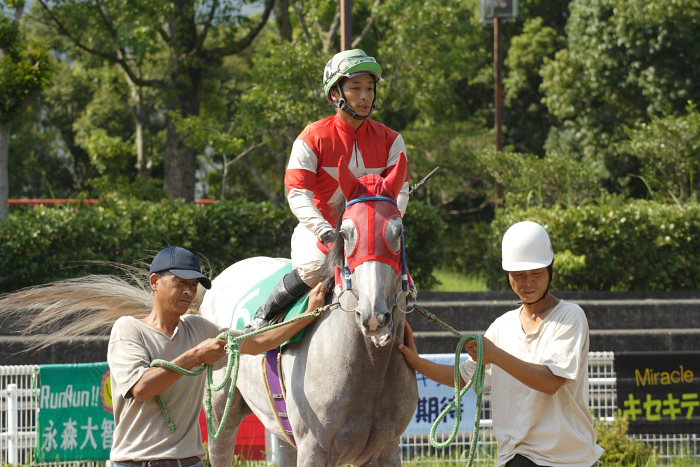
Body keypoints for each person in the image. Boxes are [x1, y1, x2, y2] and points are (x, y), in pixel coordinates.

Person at [398, 221, 603, 467]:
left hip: (568, 460)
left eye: (536, 274)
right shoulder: (502, 325)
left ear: (551, 271)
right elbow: (465, 378)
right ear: (508, 276)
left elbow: (550, 382)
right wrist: (417, 362)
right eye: (518, 275)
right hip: (516, 458)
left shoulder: (569, 317)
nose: (527, 282)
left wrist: (495, 355)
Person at [108, 246, 327, 467]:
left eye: (193, 286)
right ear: (155, 282)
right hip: (136, 462)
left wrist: (308, 315)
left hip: (190, 462)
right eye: (180, 283)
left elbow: (259, 342)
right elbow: (141, 389)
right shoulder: (128, 329)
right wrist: (195, 356)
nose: (188, 292)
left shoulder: (198, 328)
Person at [245, 48, 410, 331]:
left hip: (372, 233)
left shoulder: (391, 139)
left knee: (402, 280)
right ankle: (262, 317)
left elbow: (401, 191)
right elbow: (297, 193)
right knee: (313, 267)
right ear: (335, 94)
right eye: (356, 88)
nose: (365, 96)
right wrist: (324, 230)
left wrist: (387, 226)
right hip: (320, 229)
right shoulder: (312, 137)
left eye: (369, 88)